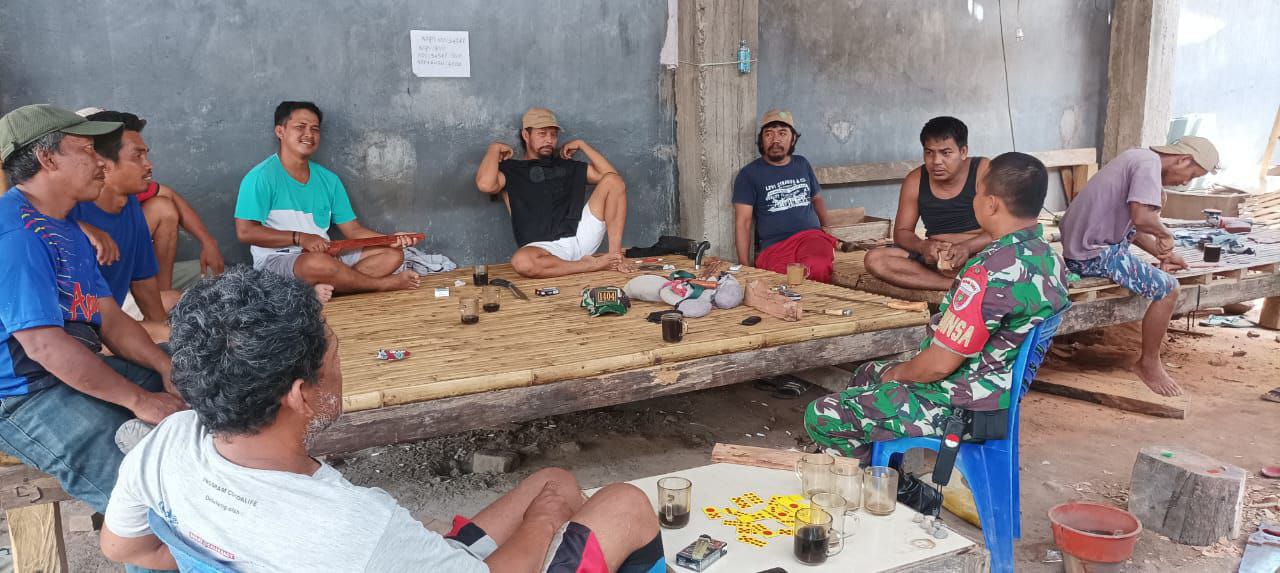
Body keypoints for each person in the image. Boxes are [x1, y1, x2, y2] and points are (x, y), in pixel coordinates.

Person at [100, 267, 665, 572]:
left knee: (555, 480)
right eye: (334, 351)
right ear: (300, 395)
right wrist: (544, 523)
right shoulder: (355, 530)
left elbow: (126, 549)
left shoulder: (169, 443)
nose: (341, 363)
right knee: (624, 503)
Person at [0, 105, 186, 567]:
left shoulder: (63, 225)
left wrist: (165, 366)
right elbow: (43, 345)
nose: (101, 161)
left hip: (70, 370)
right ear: (47, 158)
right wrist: (140, 401)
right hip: (22, 396)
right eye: (86, 149)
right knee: (147, 504)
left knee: (200, 384)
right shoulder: (16, 233)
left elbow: (109, 317)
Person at [805, 152, 1070, 463]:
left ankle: (888, 485)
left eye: (977, 193)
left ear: (991, 204)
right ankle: (883, 465)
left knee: (822, 415)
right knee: (867, 374)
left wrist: (897, 374)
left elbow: (939, 365)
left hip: (960, 405)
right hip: (997, 395)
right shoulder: (1051, 260)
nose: (974, 200)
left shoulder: (990, 271)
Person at [1057, 136, 1218, 397]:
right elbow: (1142, 218)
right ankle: (1148, 363)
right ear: (1183, 159)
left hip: (1089, 247)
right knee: (1169, 289)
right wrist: (1165, 234)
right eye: (1191, 175)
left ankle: (1149, 361)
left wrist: (1162, 253)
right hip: (1091, 254)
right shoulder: (1148, 164)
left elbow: (1133, 226)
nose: (1185, 182)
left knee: (1160, 274)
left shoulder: (1139, 158)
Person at [234, 101, 421, 294]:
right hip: (278, 260)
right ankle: (382, 285)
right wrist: (300, 238)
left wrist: (390, 239)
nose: (309, 134)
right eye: (300, 127)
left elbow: (353, 231)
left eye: (315, 129)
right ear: (280, 131)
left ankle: (329, 287)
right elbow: (245, 232)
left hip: (326, 255)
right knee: (318, 263)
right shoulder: (261, 176)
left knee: (393, 254)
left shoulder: (329, 180)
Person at [76, 107, 225, 292]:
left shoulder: (127, 195)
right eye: (137, 156)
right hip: (96, 300)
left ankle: (163, 291)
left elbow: (168, 194)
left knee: (163, 208)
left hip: (127, 282)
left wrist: (208, 242)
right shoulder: (67, 202)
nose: (148, 164)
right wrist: (83, 228)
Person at [475, 107, 630, 277]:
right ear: (526, 135)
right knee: (522, 262)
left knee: (613, 181)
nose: (549, 140)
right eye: (542, 134)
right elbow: (485, 185)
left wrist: (582, 145)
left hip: (580, 235)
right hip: (544, 249)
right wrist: (494, 148)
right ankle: (589, 265)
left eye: (554, 135)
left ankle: (615, 258)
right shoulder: (512, 169)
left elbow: (612, 178)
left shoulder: (566, 165)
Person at [68, 111, 178, 341]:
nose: (148, 165)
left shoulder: (130, 206)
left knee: (178, 335)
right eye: (137, 156)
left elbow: (142, 282)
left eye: (146, 155)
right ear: (103, 164)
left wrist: (165, 338)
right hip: (72, 338)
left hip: (108, 327)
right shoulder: (69, 211)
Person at [864, 117, 991, 291]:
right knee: (875, 259)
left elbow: (1006, 229)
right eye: (929, 152)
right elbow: (902, 232)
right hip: (935, 260)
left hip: (980, 253)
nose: (936, 161)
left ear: (963, 152)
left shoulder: (983, 171)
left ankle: (969, 281)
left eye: (946, 153)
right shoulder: (915, 180)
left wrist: (967, 247)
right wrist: (923, 246)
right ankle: (954, 285)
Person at [733, 109, 836, 282]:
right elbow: (743, 222)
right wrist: (744, 266)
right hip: (775, 246)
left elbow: (816, 198)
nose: (775, 140)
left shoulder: (802, 164)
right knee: (780, 279)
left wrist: (827, 228)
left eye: (782, 133)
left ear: (793, 138)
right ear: (761, 140)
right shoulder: (748, 174)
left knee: (816, 266)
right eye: (769, 134)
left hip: (811, 237)